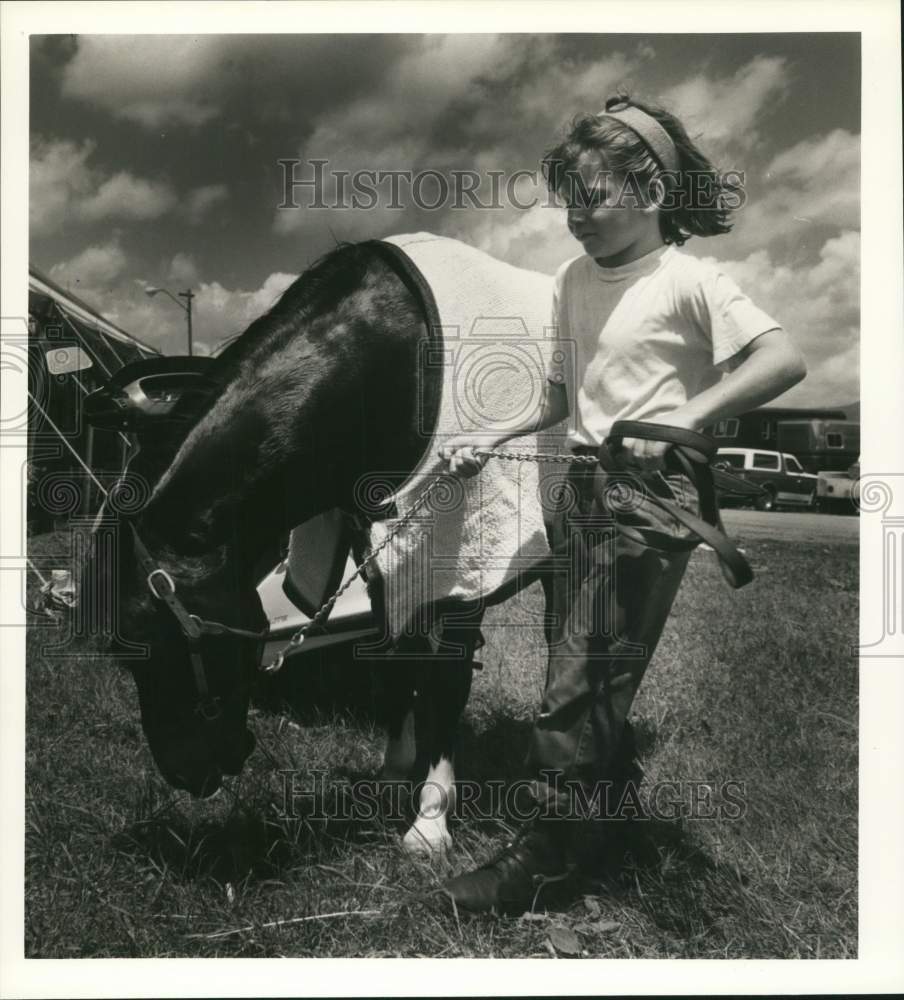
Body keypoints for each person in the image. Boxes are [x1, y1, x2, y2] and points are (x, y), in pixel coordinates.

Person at [437, 94, 807, 914]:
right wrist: (492, 436)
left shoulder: (690, 278)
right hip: (580, 488)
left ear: (648, 190)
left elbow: (784, 359)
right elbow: (562, 394)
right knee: (584, 664)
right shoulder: (572, 279)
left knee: (582, 675)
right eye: (568, 200)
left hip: (648, 496)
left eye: (593, 197)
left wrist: (688, 416)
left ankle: (551, 856)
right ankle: (604, 823)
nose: (576, 217)